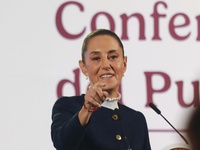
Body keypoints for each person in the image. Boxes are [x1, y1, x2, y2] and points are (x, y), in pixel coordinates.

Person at [51, 29, 151, 150]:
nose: (105, 65)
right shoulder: (69, 106)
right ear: (83, 67)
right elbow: (62, 144)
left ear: (124, 64)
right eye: (96, 58)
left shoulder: (136, 119)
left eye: (113, 57)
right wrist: (86, 109)